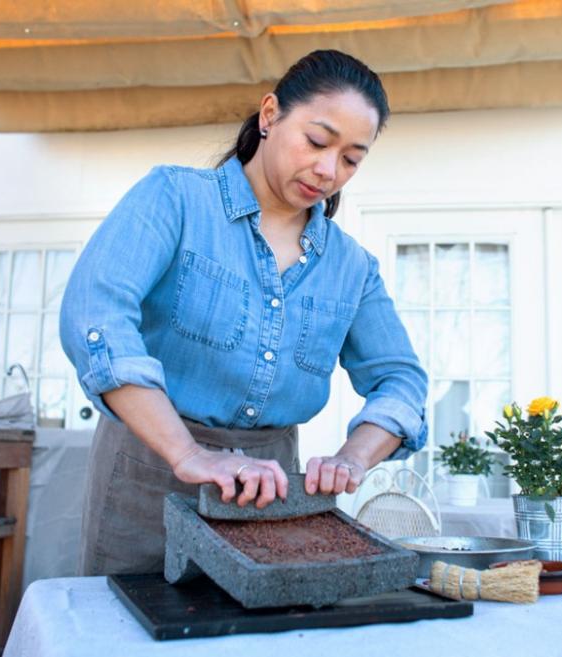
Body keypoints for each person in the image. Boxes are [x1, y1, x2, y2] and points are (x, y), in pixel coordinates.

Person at [60, 49, 428, 576]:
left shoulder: (352, 268)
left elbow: (402, 382)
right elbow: (95, 317)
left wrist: (354, 458)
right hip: (150, 473)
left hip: (273, 494)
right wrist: (187, 454)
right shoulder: (175, 199)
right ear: (270, 115)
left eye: (350, 159)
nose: (328, 170)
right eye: (317, 141)